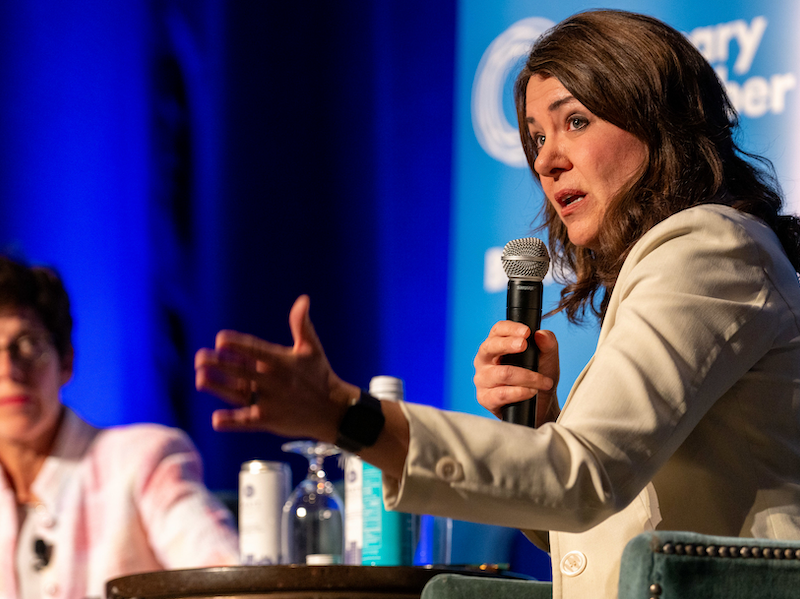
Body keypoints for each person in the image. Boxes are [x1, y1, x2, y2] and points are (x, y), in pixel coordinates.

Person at [194, 9, 800, 599]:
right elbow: (580, 513)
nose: (545, 158)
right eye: (537, 136)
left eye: (576, 122)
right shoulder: (677, 264)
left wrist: (348, 416)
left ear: (661, 119)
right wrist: (539, 425)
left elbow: (583, 478)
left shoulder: (711, 249)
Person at [0, 256, 239, 599]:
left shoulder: (143, 461)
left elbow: (226, 580)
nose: (9, 370)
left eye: (27, 345)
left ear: (66, 360)